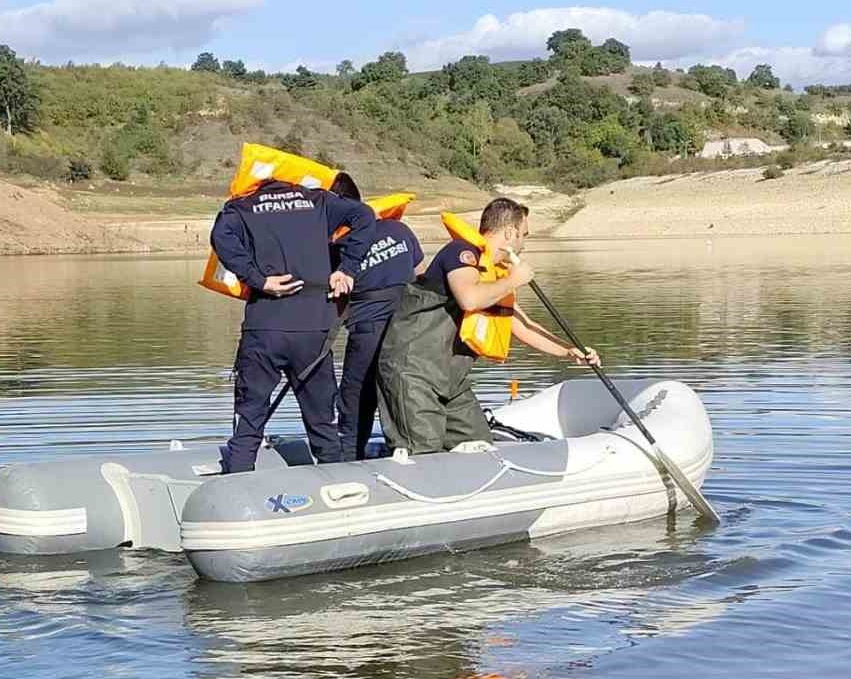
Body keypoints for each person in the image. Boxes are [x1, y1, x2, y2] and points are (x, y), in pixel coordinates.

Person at [376, 197, 598, 455]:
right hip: (413, 373)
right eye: (524, 235)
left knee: (480, 443)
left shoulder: (495, 275)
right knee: (423, 451)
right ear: (511, 232)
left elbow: (524, 326)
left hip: (450, 380)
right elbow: (469, 298)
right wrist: (513, 280)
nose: (524, 243)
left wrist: (570, 351)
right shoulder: (461, 253)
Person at [209, 179, 376, 473]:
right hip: (312, 332)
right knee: (322, 423)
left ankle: (236, 484)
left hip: (264, 328)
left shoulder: (242, 206)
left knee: (249, 420)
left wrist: (256, 279)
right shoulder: (319, 201)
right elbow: (364, 215)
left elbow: (220, 236)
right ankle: (338, 486)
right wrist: (347, 268)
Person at [328, 173, 424, 460]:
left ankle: (348, 458)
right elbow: (419, 274)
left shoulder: (340, 247)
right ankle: (417, 449)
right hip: (410, 325)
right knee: (403, 390)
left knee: (355, 396)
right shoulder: (399, 229)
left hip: (369, 329)